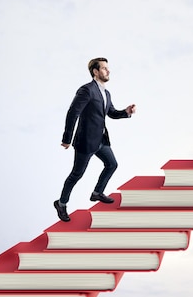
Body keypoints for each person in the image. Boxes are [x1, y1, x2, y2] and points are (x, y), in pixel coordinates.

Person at [54, 57, 136, 222]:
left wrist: (125, 112)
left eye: (108, 68)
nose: (108, 71)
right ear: (96, 72)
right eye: (104, 68)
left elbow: (111, 113)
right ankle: (61, 203)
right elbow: (73, 113)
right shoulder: (86, 90)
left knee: (112, 164)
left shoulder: (106, 93)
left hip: (101, 140)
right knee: (77, 174)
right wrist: (67, 138)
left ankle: (97, 193)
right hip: (85, 142)